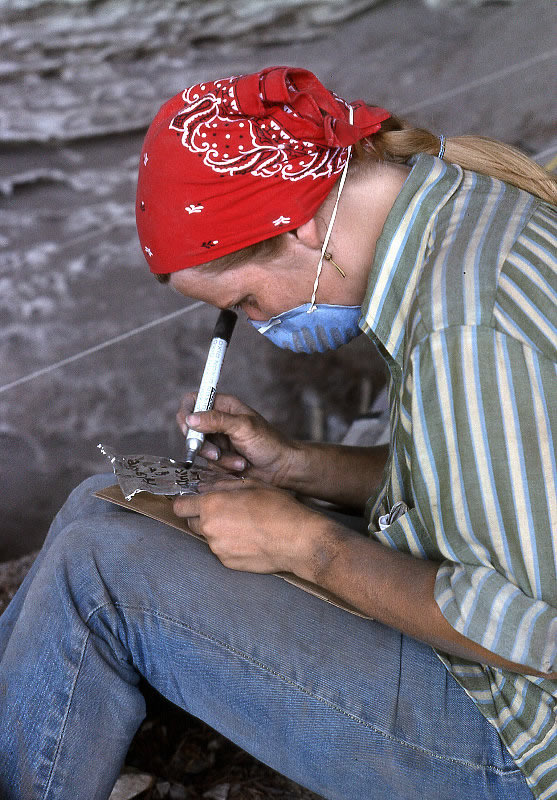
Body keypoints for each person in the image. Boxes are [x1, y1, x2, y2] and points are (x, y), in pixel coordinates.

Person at [0, 66, 555, 800]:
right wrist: (296, 468)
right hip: (499, 686)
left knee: (99, 571)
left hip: (517, 743)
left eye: (247, 301)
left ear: (295, 227)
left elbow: (531, 634)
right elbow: (494, 487)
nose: (260, 324)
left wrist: (310, 547)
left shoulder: (465, 327)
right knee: (103, 503)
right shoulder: (464, 217)